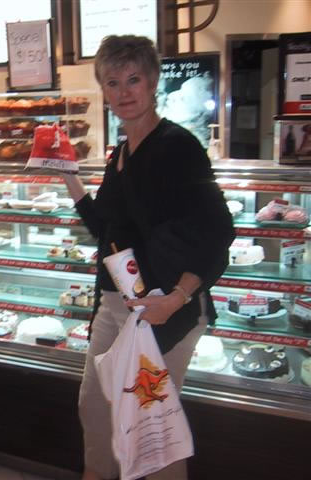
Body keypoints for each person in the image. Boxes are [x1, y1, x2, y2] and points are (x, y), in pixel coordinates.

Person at [60, 35, 235, 480]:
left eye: (133, 79)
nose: (123, 92)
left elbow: (219, 232)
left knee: (151, 430)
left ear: (154, 81)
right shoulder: (121, 152)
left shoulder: (178, 147)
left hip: (164, 310)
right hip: (116, 304)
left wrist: (176, 298)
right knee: (95, 409)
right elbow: (107, 231)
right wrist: (69, 176)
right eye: (113, 82)